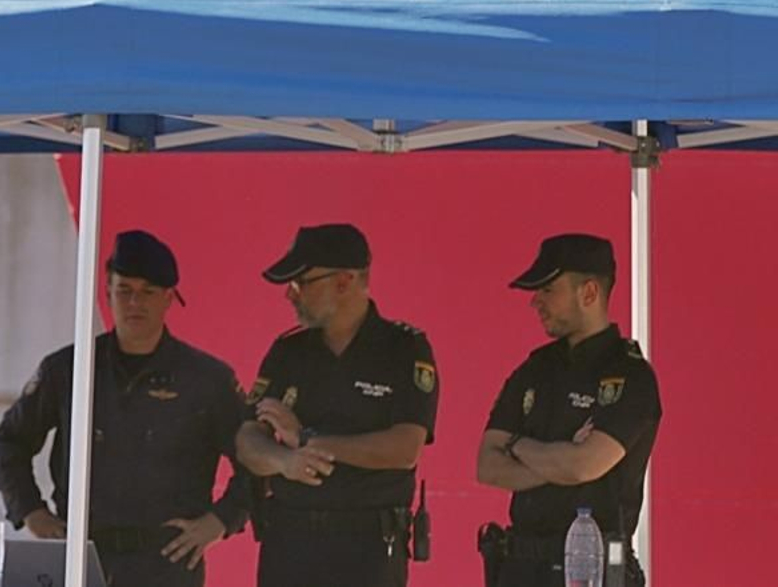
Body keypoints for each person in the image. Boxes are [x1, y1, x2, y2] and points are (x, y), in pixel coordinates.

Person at [0, 230, 253, 587]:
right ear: (107, 292)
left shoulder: (206, 379)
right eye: (124, 290)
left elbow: (257, 459)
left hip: (165, 562)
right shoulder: (69, 369)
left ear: (169, 298)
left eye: (148, 293)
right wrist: (30, 511)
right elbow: (10, 442)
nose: (135, 303)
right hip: (80, 557)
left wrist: (222, 520)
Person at [234, 223, 438, 587]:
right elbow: (249, 438)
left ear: (344, 281)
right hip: (290, 539)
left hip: (368, 544)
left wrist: (308, 439)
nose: (290, 295)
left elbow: (405, 448)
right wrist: (285, 460)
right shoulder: (287, 351)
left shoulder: (403, 349)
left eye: (301, 283)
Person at [474, 234, 661, 587]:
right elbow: (487, 465)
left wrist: (517, 446)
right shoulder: (535, 368)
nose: (535, 302)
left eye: (548, 290)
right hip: (520, 567)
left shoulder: (630, 376)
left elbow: (583, 465)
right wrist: (559, 457)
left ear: (588, 292)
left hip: (590, 568)